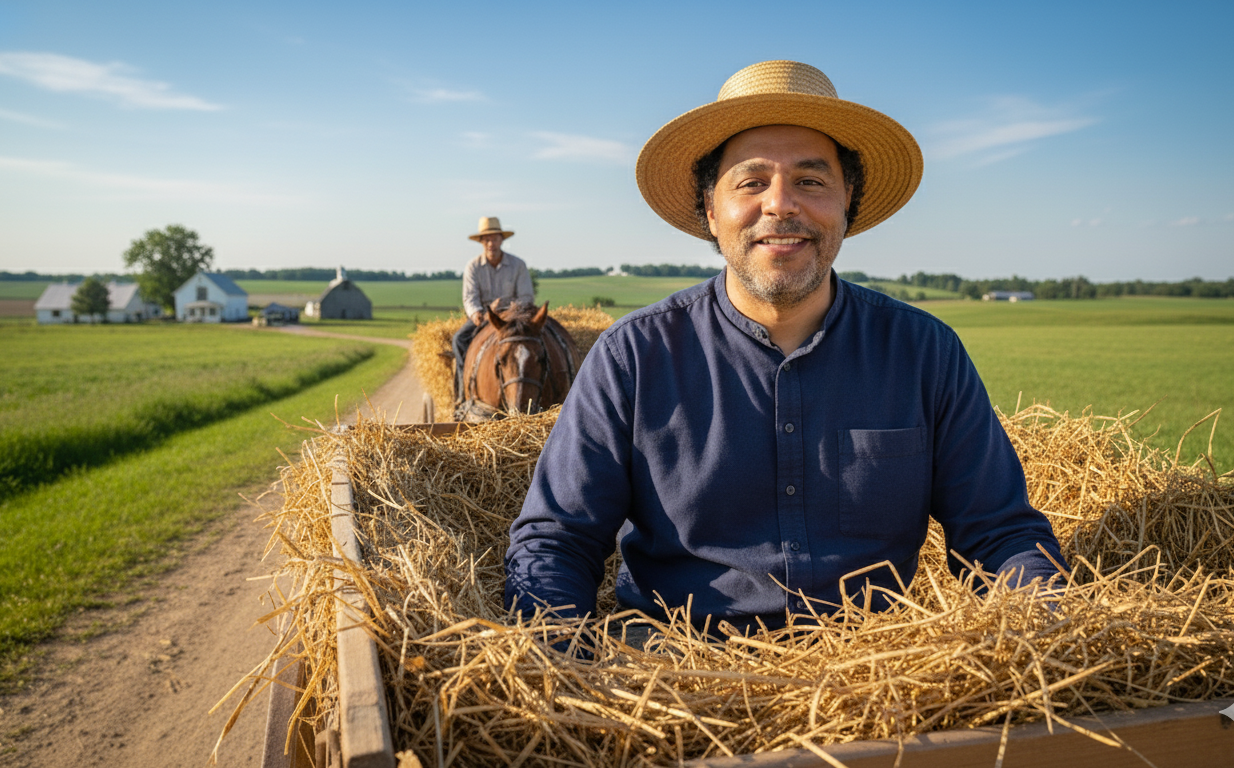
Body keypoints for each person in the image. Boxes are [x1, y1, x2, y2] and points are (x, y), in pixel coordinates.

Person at [505, 61, 1066, 635]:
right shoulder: (632, 357)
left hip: (881, 668)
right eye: (752, 182)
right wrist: (557, 657)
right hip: (671, 668)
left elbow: (1000, 535)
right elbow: (556, 540)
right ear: (710, 208)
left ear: (847, 201)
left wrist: (1048, 627)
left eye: (811, 181)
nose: (781, 205)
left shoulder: (926, 352)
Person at [453, 216, 535, 399]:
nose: (491, 244)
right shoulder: (473, 267)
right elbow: (470, 298)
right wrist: (478, 314)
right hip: (483, 317)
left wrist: (508, 311)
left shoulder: (518, 265)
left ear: (501, 240)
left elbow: (526, 297)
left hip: (512, 319)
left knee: (535, 341)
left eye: (495, 239)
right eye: (487, 239)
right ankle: (463, 393)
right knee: (459, 340)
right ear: (481, 242)